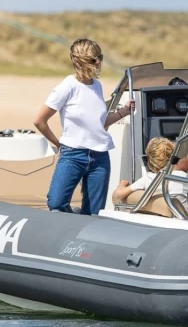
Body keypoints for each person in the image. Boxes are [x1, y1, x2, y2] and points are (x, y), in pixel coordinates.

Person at [33, 38, 134, 215]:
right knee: (56, 202)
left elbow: (98, 122)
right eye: (94, 59)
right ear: (78, 61)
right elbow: (39, 121)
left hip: (100, 156)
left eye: (100, 57)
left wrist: (123, 112)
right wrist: (58, 144)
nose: (99, 62)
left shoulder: (97, 86)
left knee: (94, 212)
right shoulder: (67, 87)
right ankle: (72, 223)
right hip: (73, 154)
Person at [112, 137, 188, 219]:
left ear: (150, 162)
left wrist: (122, 183)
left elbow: (120, 194)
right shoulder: (182, 177)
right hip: (186, 220)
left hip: (166, 220)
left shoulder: (148, 179)